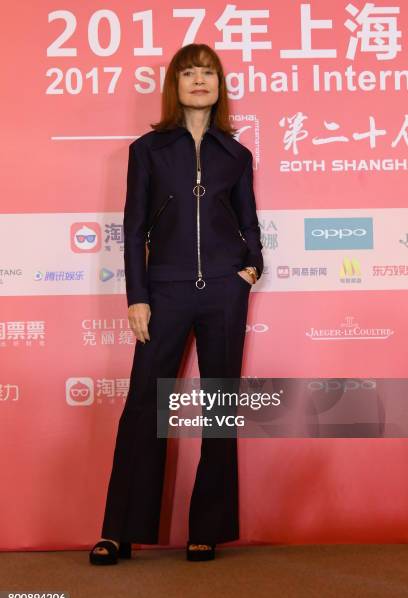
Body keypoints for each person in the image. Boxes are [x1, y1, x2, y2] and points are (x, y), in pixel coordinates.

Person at [89, 43, 263, 565]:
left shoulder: (236, 154)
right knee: (145, 404)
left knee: (219, 407)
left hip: (224, 294)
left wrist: (251, 267)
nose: (199, 81)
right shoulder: (148, 150)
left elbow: (249, 219)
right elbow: (134, 228)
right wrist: (137, 297)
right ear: (175, 85)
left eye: (207, 73)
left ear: (218, 84)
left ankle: (206, 527)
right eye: (189, 73)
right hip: (165, 289)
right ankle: (119, 531)